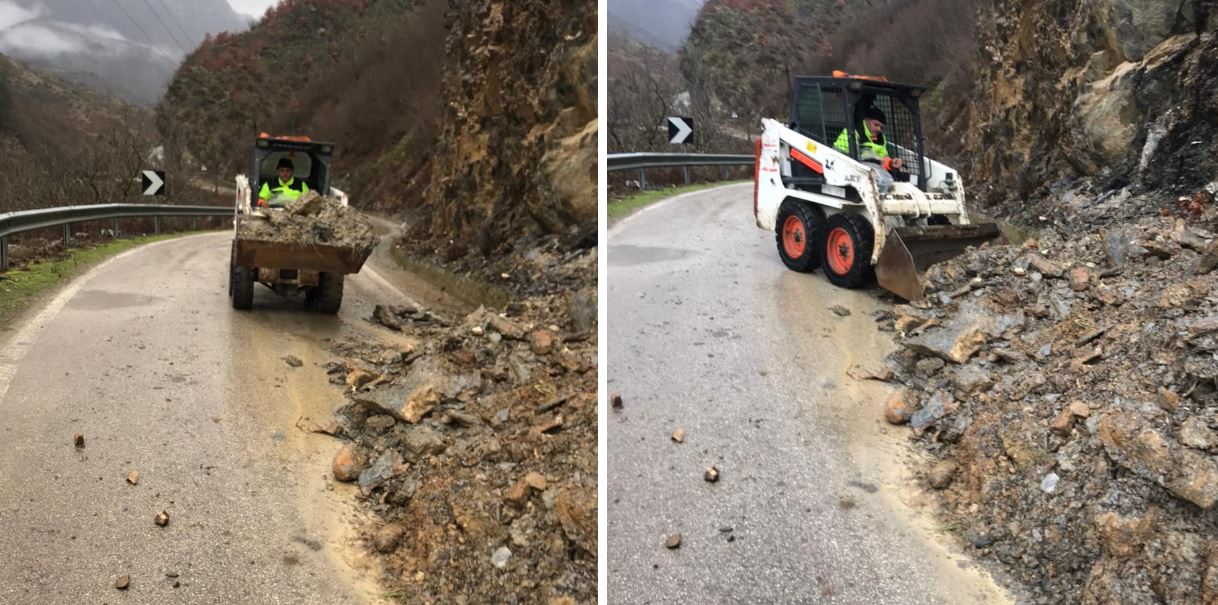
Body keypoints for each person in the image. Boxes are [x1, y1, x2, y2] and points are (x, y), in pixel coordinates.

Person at [833, 106, 903, 192]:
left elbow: (882, 159)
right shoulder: (852, 132)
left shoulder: (881, 139)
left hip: (872, 172)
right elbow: (837, 155)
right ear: (866, 120)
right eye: (876, 125)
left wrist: (891, 163)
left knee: (888, 181)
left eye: (881, 127)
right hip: (852, 172)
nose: (878, 129)